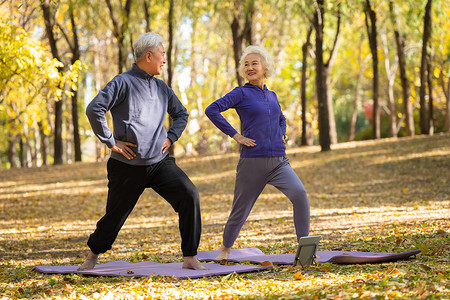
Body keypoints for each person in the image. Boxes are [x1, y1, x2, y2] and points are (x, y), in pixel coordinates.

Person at [79, 32, 206, 270]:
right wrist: (111, 141)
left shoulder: (161, 88)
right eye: (162, 53)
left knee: (189, 194)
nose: (165, 59)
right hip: (126, 165)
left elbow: (181, 113)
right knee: (114, 216)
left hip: (159, 163)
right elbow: (94, 108)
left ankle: (190, 257)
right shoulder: (122, 82)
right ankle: (92, 256)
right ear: (149, 56)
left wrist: (171, 137)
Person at [205, 45, 310, 260]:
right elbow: (211, 109)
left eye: (254, 63)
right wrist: (236, 135)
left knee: (300, 195)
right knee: (240, 210)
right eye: (246, 64)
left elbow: (281, 118)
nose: (250, 67)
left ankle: (305, 251)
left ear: (265, 68)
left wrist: (282, 134)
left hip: (279, 162)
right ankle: (225, 250)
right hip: (252, 161)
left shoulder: (272, 96)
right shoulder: (240, 93)